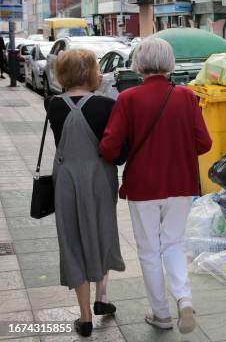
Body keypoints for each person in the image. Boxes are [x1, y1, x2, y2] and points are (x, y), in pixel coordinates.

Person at [100, 38, 212, 334]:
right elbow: (205, 143)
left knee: (149, 250)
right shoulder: (186, 97)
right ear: (170, 63)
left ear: (138, 63)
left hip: (143, 185)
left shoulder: (128, 99)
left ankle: (161, 313)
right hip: (181, 183)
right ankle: (184, 300)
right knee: (174, 243)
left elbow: (109, 147)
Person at [45, 49, 126, 337]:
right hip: (99, 178)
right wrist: (102, 88)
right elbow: (117, 150)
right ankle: (102, 297)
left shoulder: (52, 104)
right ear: (93, 73)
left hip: (65, 179)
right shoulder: (106, 105)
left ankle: (85, 317)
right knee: (102, 231)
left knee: (73, 238)